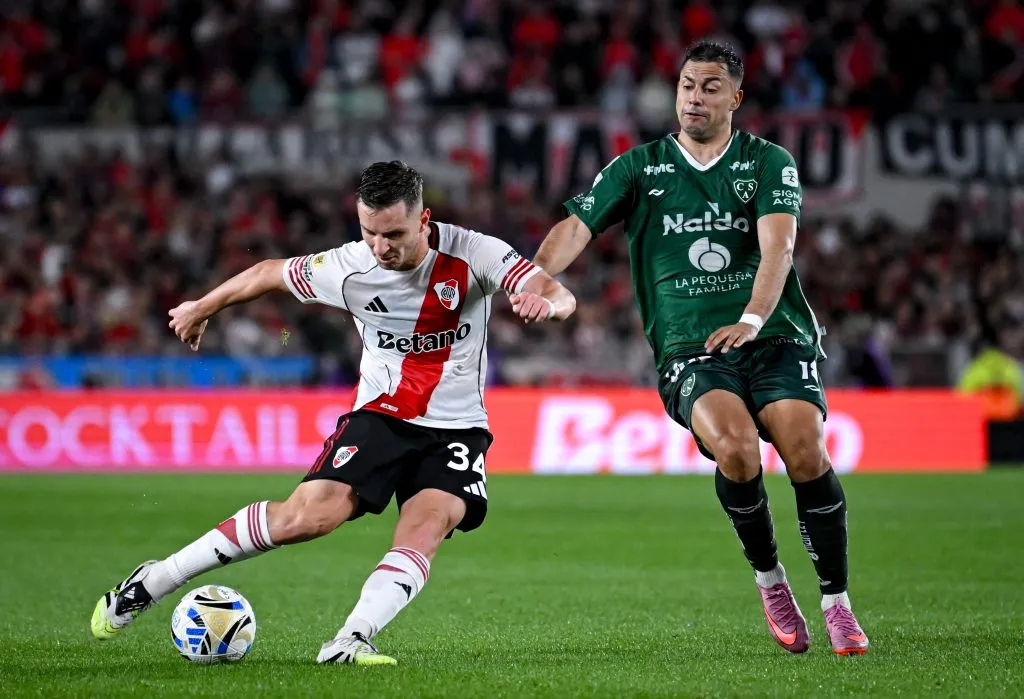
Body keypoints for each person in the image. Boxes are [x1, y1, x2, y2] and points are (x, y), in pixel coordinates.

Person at [90, 161, 576, 664]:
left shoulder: (476, 253)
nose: (381, 247)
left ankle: (351, 638)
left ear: (424, 220)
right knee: (307, 518)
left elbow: (557, 292)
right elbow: (267, 273)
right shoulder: (348, 266)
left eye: (394, 234)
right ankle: (156, 578)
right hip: (382, 413)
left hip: (458, 426)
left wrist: (548, 307)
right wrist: (201, 308)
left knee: (426, 527)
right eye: (369, 233)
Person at [531, 40, 868, 656]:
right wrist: (535, 276)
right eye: (688, 84)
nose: (695, 96)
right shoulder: (641, 168)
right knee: (737, 451)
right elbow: (577, 224)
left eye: (711, 86)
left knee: (806, 451)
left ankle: (837, 602)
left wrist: (751, 317)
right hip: (691, 347)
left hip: (773, 334)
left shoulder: (767, 161)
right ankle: (771, 582)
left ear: (736, 97)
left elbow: (779, 249)